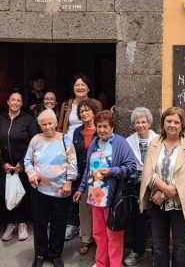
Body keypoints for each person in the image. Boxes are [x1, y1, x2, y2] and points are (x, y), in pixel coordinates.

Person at [139, 107, 185, 267]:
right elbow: (148, 170)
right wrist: (162, 188)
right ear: (163, 123)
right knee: (159, 244)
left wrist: (163, 193)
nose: (172, 125)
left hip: (180, 204)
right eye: (168, 121)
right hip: (157, 203)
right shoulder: (154, 144)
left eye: (176, 122)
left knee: (181, 244)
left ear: (182, 125)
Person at [74, 110, 137, 267]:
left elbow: (131, 166)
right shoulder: (94, 143)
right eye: (99, 126)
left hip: (113, 197)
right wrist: (81, 189)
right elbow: (88, 169)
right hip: (95, 198)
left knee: (114, 234)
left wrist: (112, 171)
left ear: (112, 127)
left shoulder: (120, 143)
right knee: (99, 233)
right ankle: (101, 263)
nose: (102, 130)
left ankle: (115, 264)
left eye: (105, 126)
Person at [25, 109, 77, 267]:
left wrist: (69, 182)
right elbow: (27, 161)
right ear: (40, 125)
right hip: (39, 189)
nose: (47, 127)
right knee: (40, 223)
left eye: (50, 123)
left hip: (61, 190)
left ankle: (55, 254)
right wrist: (31, 174)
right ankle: (40, 253)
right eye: (44, 124)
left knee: (58, 223)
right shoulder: (36, 139)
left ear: (56, 123)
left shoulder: (64, 138)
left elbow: (72, 162)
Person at [0, 91, 39, 241]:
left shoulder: (29, 120)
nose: (15, 103)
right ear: (7, 101)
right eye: (12, 100)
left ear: (21, 103)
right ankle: (10, 223)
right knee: (6, 194)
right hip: (5, 166)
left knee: (23, 194)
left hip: (23, 165)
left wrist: (23, 163)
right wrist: (2, 163)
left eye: (18, 100)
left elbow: (34, 143)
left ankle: (22, 224)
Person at [123, 107, 159, 266]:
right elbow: (126, 163)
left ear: (149, 123)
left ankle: (159, 252)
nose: (140, 125)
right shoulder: (128, 141)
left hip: (157, 184)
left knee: (158, 218)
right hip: (136, 184)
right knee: (138, 219)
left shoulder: (158, 139)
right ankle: (138, 251)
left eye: (143, 121)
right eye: (137, 122)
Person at [68, 98, 101, 253]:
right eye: (81, 111)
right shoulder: (77, 131)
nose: (84, 113)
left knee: (99, 210)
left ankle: (99, 239)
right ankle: (86, 239)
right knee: (84, 210)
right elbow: (73, 154)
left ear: (94, 112)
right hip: (82, 177)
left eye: (87, 110)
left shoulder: (101, 129)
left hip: (99, 177)